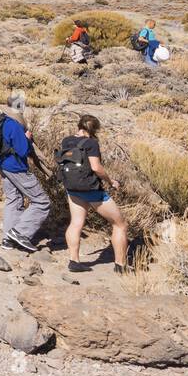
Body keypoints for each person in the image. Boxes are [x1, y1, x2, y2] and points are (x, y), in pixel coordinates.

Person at [57, 114, 130, 274]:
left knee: (76, 223)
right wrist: (111, 181)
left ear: (79, 126)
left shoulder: (66, 140)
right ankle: (120, 265)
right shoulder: (91, 143)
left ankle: (74, 261)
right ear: (94, 129)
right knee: (120, 224)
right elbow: (96, 167)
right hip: (90, 189)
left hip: (72, 187)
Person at [0, 103, 50, 253]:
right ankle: (20, 232)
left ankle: (8, 239)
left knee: (13, 200)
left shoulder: (1, 121)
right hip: (16, 167)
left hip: (2, 165)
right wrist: (27, 139)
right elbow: (23, 150)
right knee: (42, 201)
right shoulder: (14, 125)